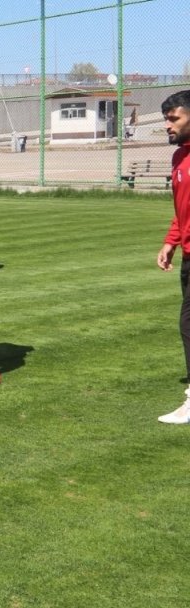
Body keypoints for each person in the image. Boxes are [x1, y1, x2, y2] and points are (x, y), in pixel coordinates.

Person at [154, 89, 190, 423]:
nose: (167, 124)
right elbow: (182, 211)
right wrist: (171, 242)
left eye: (174, 118)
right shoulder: (179, 157)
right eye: (167, 118)